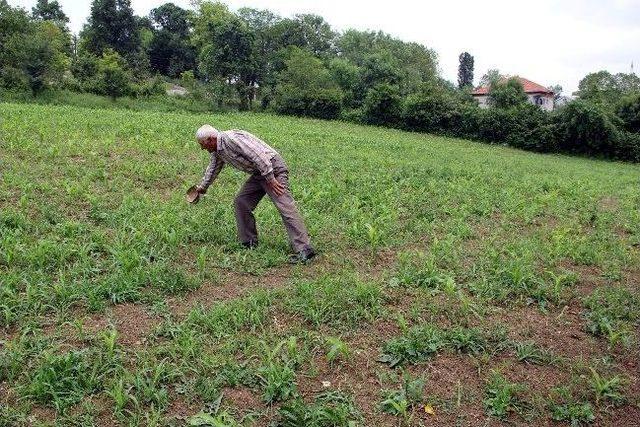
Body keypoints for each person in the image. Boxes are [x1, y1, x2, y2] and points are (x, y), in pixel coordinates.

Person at [193, 124, 316, 264]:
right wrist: (203, 187)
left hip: (272, 169)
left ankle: (304, 249)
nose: (203, 148)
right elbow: (213, 167)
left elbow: (258, 155)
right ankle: (248, 241)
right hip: (260, 173)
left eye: (202, 144)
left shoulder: (231, 139)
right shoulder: (218, 150)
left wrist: (271, 178)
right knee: (241, 202)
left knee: (285, 206)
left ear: (210, 139)